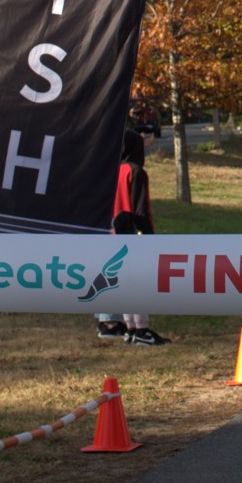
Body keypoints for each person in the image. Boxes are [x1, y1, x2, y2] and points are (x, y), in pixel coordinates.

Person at [95, 127, 170, 346]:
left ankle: (130, 329)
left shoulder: (113, 172)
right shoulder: (136, 172)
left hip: (113, 233)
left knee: (124, 284)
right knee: (139, 283)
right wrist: (149, 236)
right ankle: (142, 330)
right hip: (133, 235)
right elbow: (140, 208)